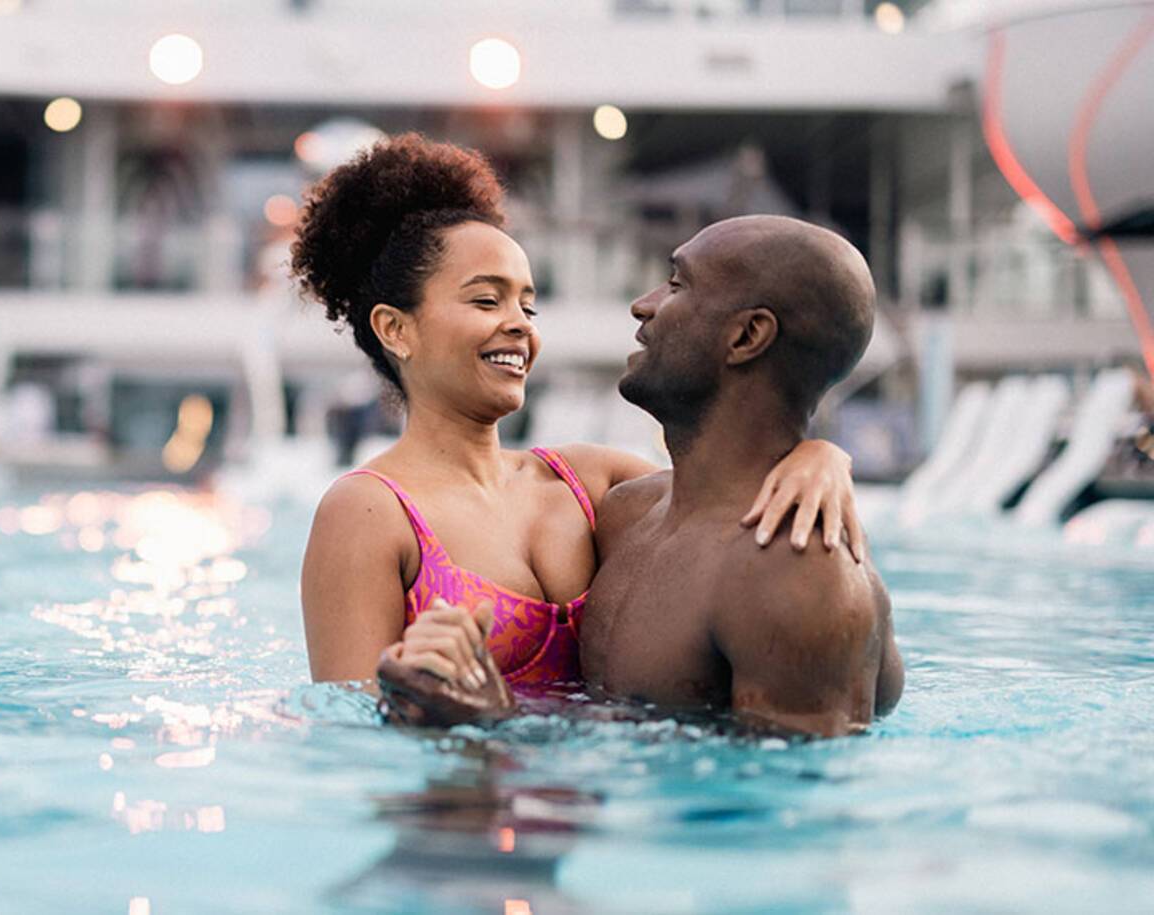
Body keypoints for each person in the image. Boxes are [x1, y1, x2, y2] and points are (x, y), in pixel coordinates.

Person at [297, 135, 865, 702]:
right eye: (486, 301)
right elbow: (351, 735)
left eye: (528, 304)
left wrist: (817, 455)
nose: (520, 324)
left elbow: (720, 497)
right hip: (464, 791)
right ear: (396, 329)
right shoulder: (369, 513)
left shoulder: (591, 483)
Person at [379, 216, 904, 738]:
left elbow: (789, 809)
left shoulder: (796, 573)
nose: (643, 304)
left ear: (747, 336)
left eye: (677, 284)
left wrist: (497, 728)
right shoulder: (625, 514)